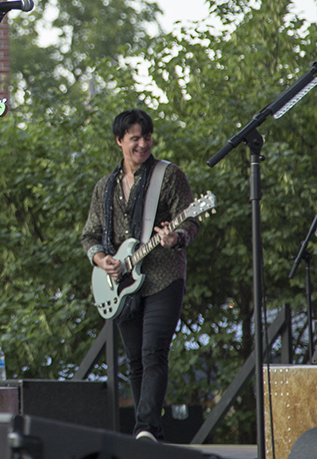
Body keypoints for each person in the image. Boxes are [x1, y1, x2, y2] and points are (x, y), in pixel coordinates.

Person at [81, 109, 199, 443]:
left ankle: (144, 429)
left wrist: (176, 237)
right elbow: (89, 236)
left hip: (164, 275)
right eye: (135, 138)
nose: (142, 145)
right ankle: (149, 433)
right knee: (134, 361)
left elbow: (191, 221)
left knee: (153, 352)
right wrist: (102, 259)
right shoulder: (105, 187)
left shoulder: (169, 175)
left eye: (147, 138)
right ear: (119, 141)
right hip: (122, 284)